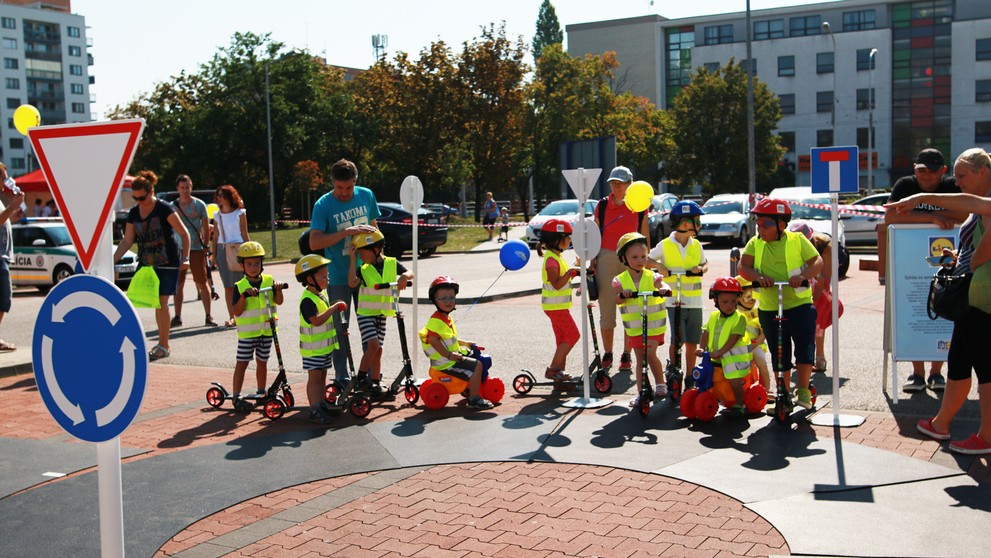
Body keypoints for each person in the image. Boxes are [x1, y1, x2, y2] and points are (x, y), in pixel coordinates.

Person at [888, 148, 991, 455]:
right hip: (972, 295)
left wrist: (919, 201)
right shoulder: (980, 204)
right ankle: (941, 422)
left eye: (961, 176)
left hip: (981, 295)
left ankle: (986, 437)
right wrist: (961, 258)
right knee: (959, 359)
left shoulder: (983, 203)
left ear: (983, 172)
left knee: (986, 368)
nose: (956, 182)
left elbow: (974, 215)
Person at [883, 148, 966, 392]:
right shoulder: (905, 185)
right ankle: (916, 373)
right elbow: (891, 217)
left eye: (932, 170)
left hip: (948, 260)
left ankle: (936, 373)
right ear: (914, 169)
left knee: (945, 310)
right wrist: (931, 219)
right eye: (921, 170)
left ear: (943, 171)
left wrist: (917, 212)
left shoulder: (952, 185)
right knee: (914, 311)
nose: (926, 175)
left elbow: (965, 213)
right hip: (909, 260)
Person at [738, 197, 823, 410]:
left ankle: (802, 389)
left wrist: (802, 275)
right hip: (769, 306)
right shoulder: (755, 243)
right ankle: (783, 392)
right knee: (779, 352)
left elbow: (817, 261)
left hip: (799, 303)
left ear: (781, 224)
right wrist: (758, 277)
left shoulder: (796, 240)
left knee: (804, 347)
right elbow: (743, 267)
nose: (760, 228)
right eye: (757, 223)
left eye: (765, 223)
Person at [308, 159, 381, 386]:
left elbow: (374, 227)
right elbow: (314, 242)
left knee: (371, 328)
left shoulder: (366, 195)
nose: (344, 193)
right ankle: (342, 378)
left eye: (348, 187)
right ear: (333, 183)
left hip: (366, 275)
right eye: (340, 188)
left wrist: (380, 258)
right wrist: (345, 232)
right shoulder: (323, 205)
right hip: (337, 277)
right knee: (340, 329)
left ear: (355, 182)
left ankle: (369, 377)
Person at [113, 170, 191, 361]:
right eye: (135, 198)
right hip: (147, 263)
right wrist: (111, 261)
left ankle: (164, 345)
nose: (139, 201)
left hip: (167, 262)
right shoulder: (133, 213)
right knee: (137, 301)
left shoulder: (164, 208)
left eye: (142, 197)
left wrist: (186, 258)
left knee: (161, 302)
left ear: (151, 191)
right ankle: (147, 343)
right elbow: (127, 240)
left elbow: (184, 233)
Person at [591, 166, 651, 374]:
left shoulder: (640, 206)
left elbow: (644, 234)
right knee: (607, 309)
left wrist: (646, 259)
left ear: (630, 184)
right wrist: (591, 260)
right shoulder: (603, 205)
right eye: (613, 183)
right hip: (606, 256)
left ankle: (627, 353)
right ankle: (608, 353)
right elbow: (594, 233)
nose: (616, 187)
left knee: (630, 306)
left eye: (620, 183)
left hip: (631, 258)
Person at [347, 229, 413, 396]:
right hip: (366, 314)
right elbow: (351, 283)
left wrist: (404, 277)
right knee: (373, 345)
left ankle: (375, 382)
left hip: (382, 313)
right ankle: (361, 377)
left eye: (362, 252)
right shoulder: (363, 268)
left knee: (379, 349)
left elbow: (409, 272)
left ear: (374, 249)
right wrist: (352, 259)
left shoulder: (392, 263)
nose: (361, 255)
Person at [648, 200, 707, 377]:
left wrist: (700, 269)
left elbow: (705, 265)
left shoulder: (696, 245)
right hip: (674, 302)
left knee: (692, 342)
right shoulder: (665, 244)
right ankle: (673, 369)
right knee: (677, 340)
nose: (699, 225)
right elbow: (647, 260)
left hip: (695, 302)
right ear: (684, 223)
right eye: (695, 220)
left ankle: (690, 375)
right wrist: (659, 267)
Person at [613, 232, 671, 408]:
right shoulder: (620, 280)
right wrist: (623, 295)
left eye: (643, 256)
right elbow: (616, 299)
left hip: (653, 327)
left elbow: (664, 286)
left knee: (649, 354)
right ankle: (641, 392)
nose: (640, 260)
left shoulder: (652, 277)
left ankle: (660, 384)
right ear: (624, 258)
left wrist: (664, 289)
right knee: (640, 358)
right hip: (635, 328)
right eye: (635, 257)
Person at [419, 276, 494, 409]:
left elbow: (448, 339)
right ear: (435, 301)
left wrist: (465, 343)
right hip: (446, 363)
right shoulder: (436, 321)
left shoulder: (445, 318)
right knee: (477, 365)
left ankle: (468, 388)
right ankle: (474, 399)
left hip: (448, 359)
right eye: (443, 298)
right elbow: (434, 341)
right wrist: (449, 355)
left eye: (451, 297)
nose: (448, 301)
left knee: (470, 359)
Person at [230, 241, 285, 406]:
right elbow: (237, 311)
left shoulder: (269, 280)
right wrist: (244, 297)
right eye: (249, 264)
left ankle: (261, 391)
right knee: (242, 363)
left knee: (263, 362)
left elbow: (279, 301)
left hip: (267, 331)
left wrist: (278, 289)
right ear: (242, 265)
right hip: (248, 333)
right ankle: (236, 396)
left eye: (257, 263)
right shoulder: (240, 286)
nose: (253, 267)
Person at [295, 254, 348, 425]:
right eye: (323, 276)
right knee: (315, 378)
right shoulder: (307, 300)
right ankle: (314, 409)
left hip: (323, 348)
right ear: (310, 278)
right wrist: (333, 308)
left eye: (327, 275)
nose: (327, 279)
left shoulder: (320, 295)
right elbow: (316, 320)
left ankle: (321, 403)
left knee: (322, 376)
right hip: (313, 349)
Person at [697, 277, 751, 417]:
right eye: (725, 302)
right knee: (709, 378)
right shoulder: (714, 316)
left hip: (734, 359)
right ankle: (714, 398)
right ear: (716, 301)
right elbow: (706, 332)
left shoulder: (739, 318)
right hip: (716, 357)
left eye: (733, 301)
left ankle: (740, 403)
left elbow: (734, 338)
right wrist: (701, 348)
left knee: (734, 382)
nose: (730, 305)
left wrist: (721, 352)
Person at [787, 220, 835, 373]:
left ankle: (820, 358)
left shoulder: (825, 247)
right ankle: (803, 358)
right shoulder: (791, 246)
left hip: (820, 289)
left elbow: (825, 278)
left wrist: (813, 298)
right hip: (802, 289)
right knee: (801, 325)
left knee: (818, 324)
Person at [170, 175, 217, 327]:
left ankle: (208, 316)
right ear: (177, 188)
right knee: (178, 284)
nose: (185, 190)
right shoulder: (172, 206)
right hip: (179, 249)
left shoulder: (199, 205)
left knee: (202, 282)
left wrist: (205, 246)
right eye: (182, 187)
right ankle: (177, 316)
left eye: (187, 187)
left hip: (196, 248)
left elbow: (205, 227)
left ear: (191, 187)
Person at [537, 219, 580, 381]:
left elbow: (562, 276)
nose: (569, 240)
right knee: (573, 335)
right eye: (567, 236)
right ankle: (553, 369)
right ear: (556, 239)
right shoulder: (551, 260)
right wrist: (570, 272)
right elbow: (556, 284)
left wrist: (574, 267)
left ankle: (559, 372)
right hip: (555, 307)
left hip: (557, 306)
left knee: (562, 339)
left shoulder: (556, 256)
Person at [211, 184, 250, 328]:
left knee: (240, 284)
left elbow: (245, 233)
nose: (219, 198)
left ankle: (244, 314)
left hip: (238, 249)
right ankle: (232, 316)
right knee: (228, 286)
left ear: (229, 197)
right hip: (222, 249)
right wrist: (214, 255)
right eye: (218, 196)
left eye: (222, 195)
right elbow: (215, 236)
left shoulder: (240, 213)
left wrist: (250, 251)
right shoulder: (217, 215)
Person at [0, 164, 24, 352]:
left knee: (3, 300)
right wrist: (13, 206)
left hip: (3, 256)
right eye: (4, 178)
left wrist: (13, 214)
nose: (7, 182)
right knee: (3, 299)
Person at [735, 275, 772, 398]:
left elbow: (765, 331)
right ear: (738, 297)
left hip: (755, 345)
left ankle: (766, 389)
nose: (752, 300)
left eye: (754, 296)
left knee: (761, 360)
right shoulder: (734, 313)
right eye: (748, 296)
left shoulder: (758, 312)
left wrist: (757, 342)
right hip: (737, 346)